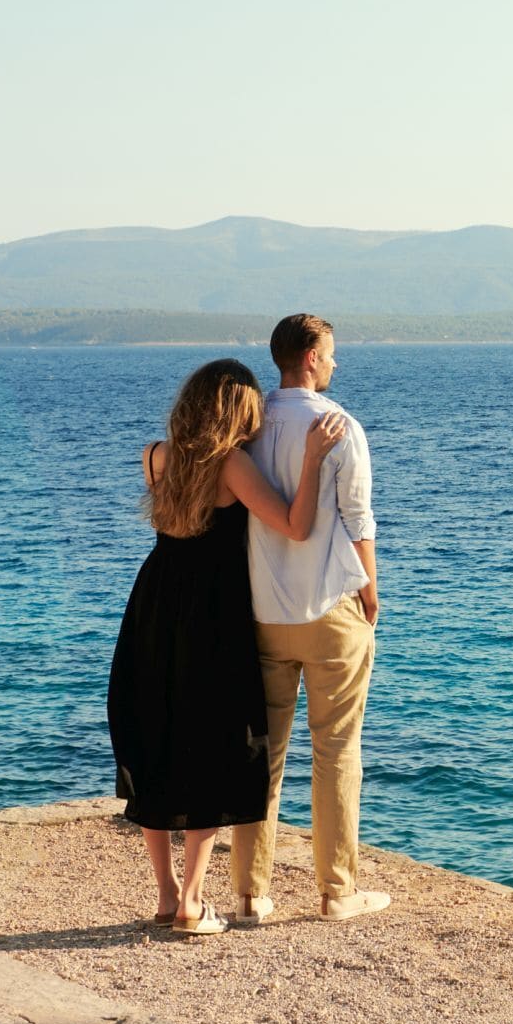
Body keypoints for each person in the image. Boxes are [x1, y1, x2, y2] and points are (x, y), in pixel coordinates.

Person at [108, 357, 346, 936]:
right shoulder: (231, 464)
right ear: (234, 410)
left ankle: (166, 897)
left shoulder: (155, 457)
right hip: (210, 615)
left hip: (153, 606)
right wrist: (312, 458)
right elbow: (295, 524)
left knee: (159, 741)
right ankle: (191, 902)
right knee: (210, 746)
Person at [231, 313, 392, 923]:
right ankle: (336, 892)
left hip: (265, 613)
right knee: (336, 750)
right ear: (308, 359)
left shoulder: (245, 426)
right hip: (330, 609)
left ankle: (251, 894)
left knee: (263, 754)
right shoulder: (339, 426)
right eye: (330, 354)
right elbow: (359, 520)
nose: (335, 363)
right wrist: (372, 590)